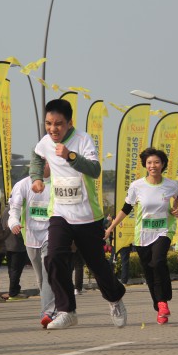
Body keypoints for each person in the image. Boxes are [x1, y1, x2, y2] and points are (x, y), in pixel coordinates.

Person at [30, 99, 126, 330]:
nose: (53, 129)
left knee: (97, 265)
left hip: (86, 215)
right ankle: (67, 310)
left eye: (58, 124)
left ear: (69, 123)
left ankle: (115, 298)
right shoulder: (45, 142)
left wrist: (70, 156)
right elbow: (36, 157)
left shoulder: (83, 140)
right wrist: (36, 178)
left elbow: (95, 170)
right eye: (49, 123)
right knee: (53, 257)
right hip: (59, 213)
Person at [105, 148, 178, 325]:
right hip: (143, 235)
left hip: (164, 230)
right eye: (149, 163)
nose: (153, 166)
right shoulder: (137, 186)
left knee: (158, 262)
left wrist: (174, 208)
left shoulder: (170, 185)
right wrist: (111, 228)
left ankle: (163, 300)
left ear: (163, 164)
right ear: (145, 166)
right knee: (149, 271)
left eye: (156, 162)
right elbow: (126, 209)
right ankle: (160, 305)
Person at [8, 165, 56, 326]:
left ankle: (48, 313)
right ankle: (52, 308)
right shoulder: (23, 185)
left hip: (51, 233)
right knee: (41, 278)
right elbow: (14, 209)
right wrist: (13, 222)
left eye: (45, 161)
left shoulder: (57, 182)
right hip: (30, 236)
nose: (42, 165)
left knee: (48, 271)